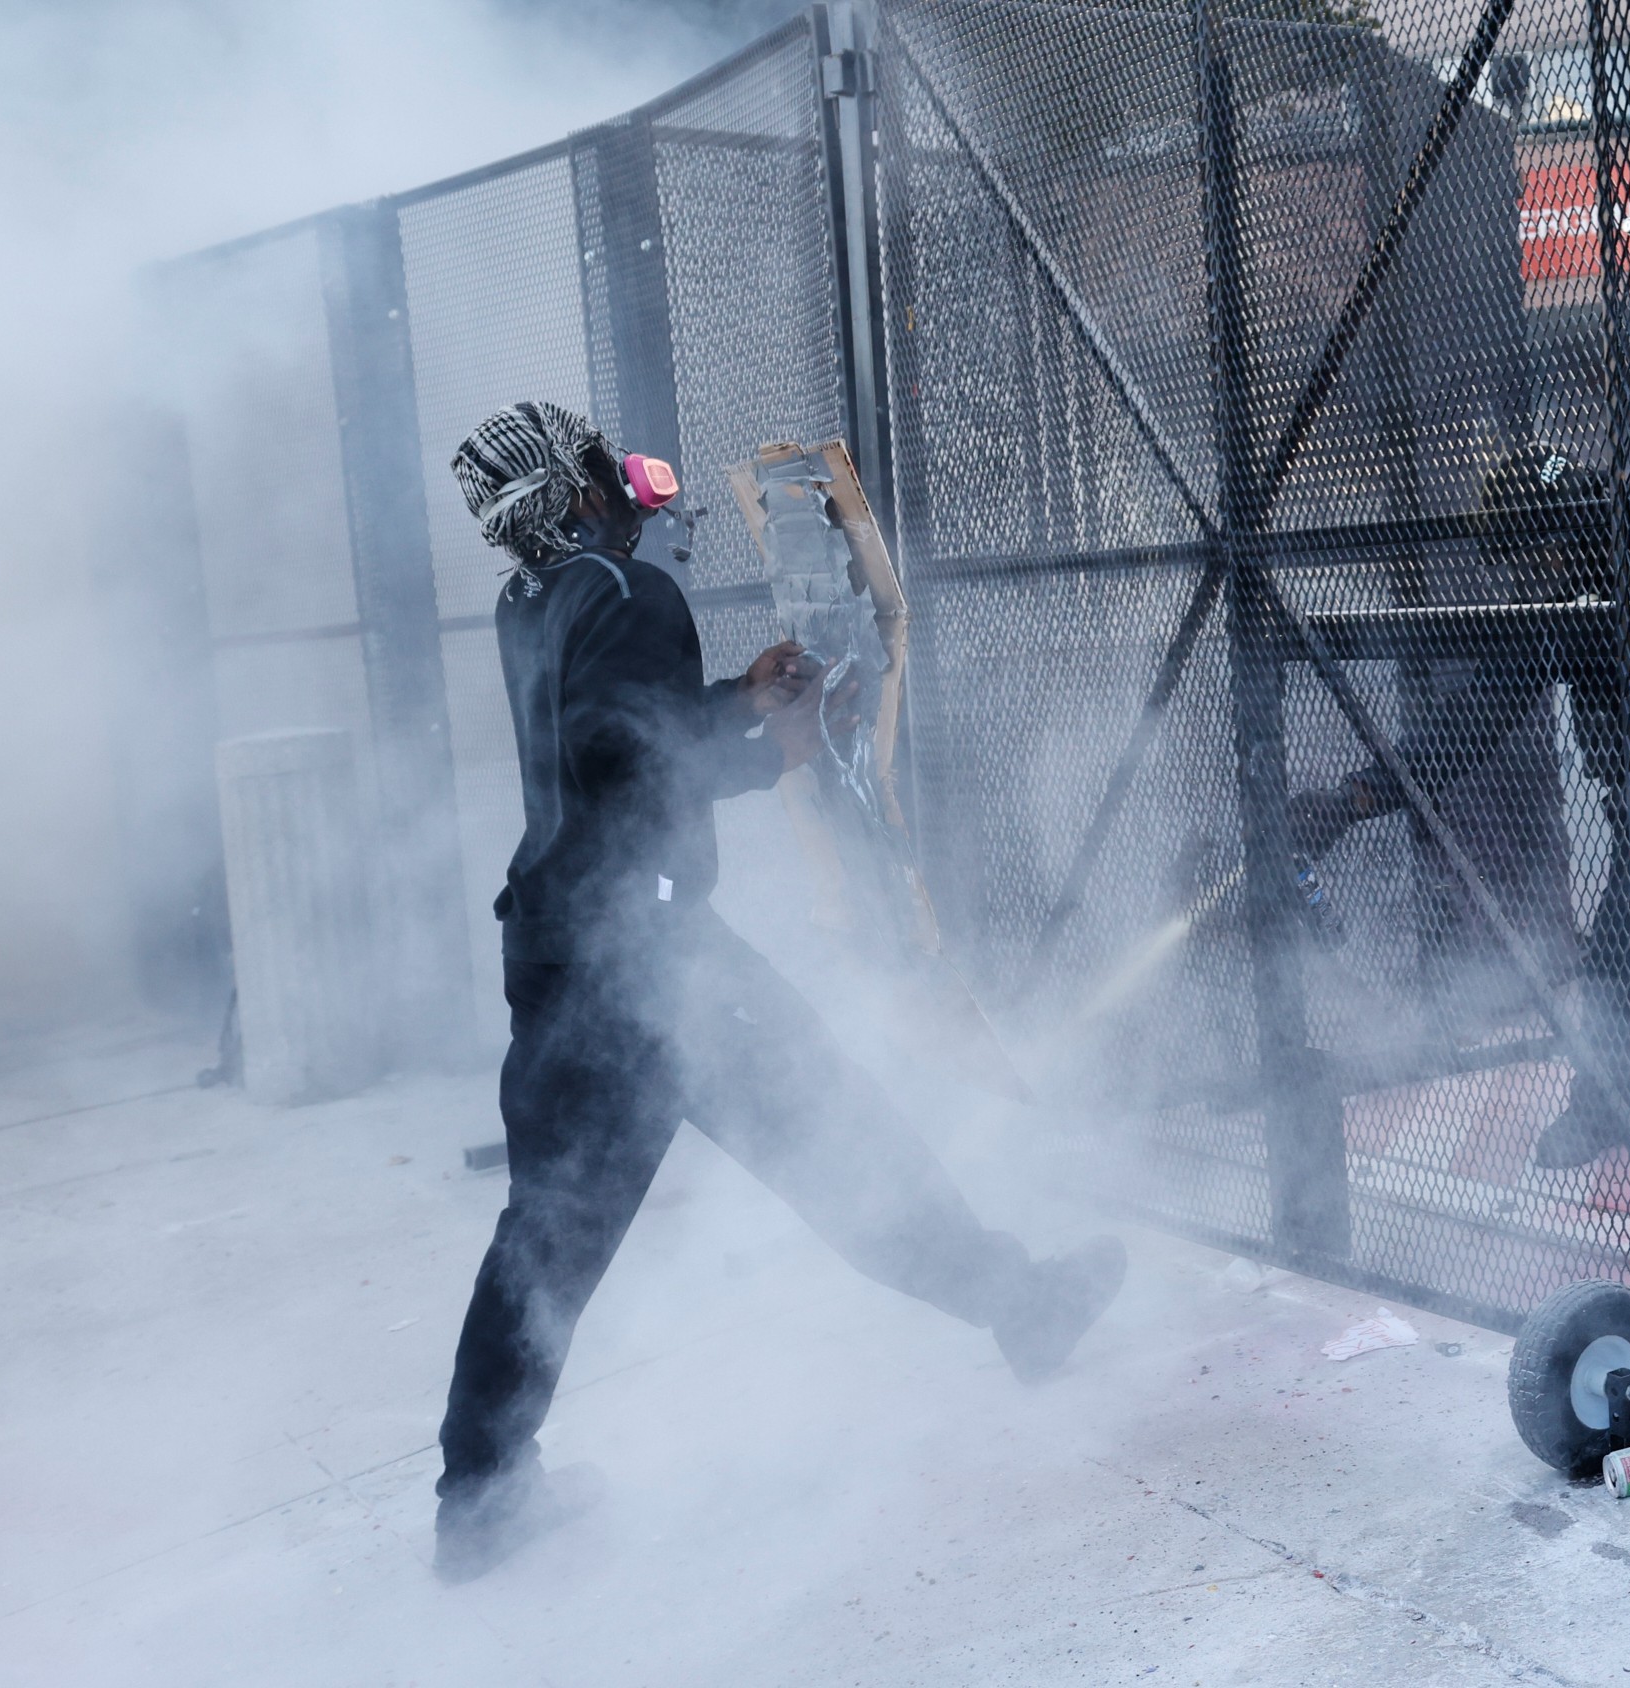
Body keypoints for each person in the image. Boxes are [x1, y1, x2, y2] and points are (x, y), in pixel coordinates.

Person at [432, 403, 1125, 1582]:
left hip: (555, 947)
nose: (622, 472)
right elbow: (627, 758)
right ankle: (1022, 1303)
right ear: (575, 483)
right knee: (841, 1140)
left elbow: (603, 734)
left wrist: (745, 705)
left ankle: (481, 1497)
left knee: (546, 1233)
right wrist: (772, 743)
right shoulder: (628, 588)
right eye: (600, 457)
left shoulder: (533, 594)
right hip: (648, 962)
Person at [1283, 440, 1630, 1169]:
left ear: (1558, 531)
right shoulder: (1568, 587)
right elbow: (1472, 720)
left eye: (1535, 558)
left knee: (1627, 940)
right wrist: (1358, 796)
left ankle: (1608, 1111)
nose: (1533, 577)